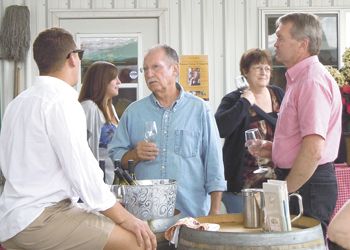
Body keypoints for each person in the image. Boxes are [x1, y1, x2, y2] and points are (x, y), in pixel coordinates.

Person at [0, 27, 156, 250]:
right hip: (40, 218)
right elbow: (82, 171)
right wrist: (125, 218)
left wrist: (104, 208)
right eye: (79, 55)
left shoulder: (17, 103)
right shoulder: (62, 101)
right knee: (139, 242)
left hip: (10, 218)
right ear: (72, 58)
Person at [248, 13, 342, 237]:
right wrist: (274, 149)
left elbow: (313, 150)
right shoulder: (301, 79)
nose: (275, 43)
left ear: (303, 44)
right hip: (305, 181)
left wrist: (284, 191)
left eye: (280, 37)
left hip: (308, 183)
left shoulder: (311, 81)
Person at [108, 44, 226, 217]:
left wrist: (215, 210)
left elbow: (214, 161)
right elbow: (116, 156)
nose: (149, 74)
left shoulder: (200, 109)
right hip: (144, 218)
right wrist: (134, 155)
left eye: (156, 67)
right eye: (145, 69)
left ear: (175, 69)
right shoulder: (133, 112)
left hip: (191, 215)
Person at [215, 48, 284, 213]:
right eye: (258, 68)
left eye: (267, 68)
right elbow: (220, 128)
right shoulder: (234, 99)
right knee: (245, 232)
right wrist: (245, 102)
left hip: (277, 181)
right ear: (245, 72)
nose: (263, 72)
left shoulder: (278, 94)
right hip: (243, 184)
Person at [78, 61, 121, 184]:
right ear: (102, 81)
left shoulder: (110, 108)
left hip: (112, 177)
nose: (119, 82)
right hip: (95, 180)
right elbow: (83, 148)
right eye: (114, 78)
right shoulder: (89, 107)